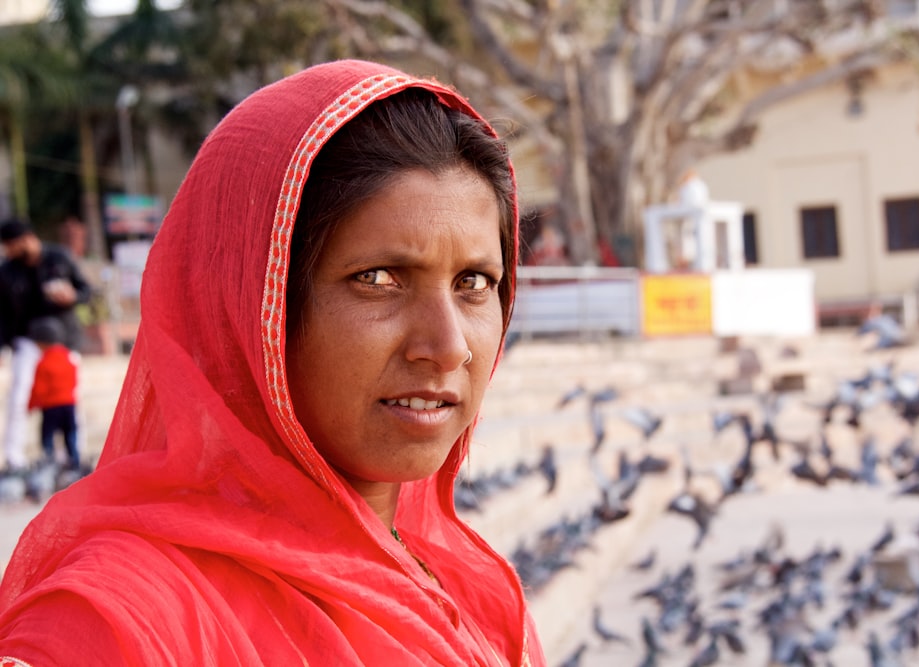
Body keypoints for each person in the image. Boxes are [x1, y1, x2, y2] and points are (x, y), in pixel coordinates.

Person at [0, 60, 544, 665]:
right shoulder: (121, 623)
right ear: (255, 306)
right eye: (379, 279)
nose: (449, 346)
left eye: (474, 282)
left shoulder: (469, 593)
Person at [0, 219, 91, 471]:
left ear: (26, 239)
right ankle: (14, 457)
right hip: (27, 340)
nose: (8, 251)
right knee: (19, 396)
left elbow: (86, 290)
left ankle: (71, 456)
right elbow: (3, 314)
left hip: (63, 339)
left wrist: (72, 296)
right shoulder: (7, 271)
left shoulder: (59, 258)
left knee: (68, 398)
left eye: (10, 245)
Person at [26, 317, 80, 470]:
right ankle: (74, 460)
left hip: (50, 406)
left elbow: (39, 388)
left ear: (41, 342)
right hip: (69, 404)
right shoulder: (69, 359)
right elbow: (74, 381)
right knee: (70, 434)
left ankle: (48, 461)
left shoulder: (43, 362)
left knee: (48, 435)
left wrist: (31, 405)